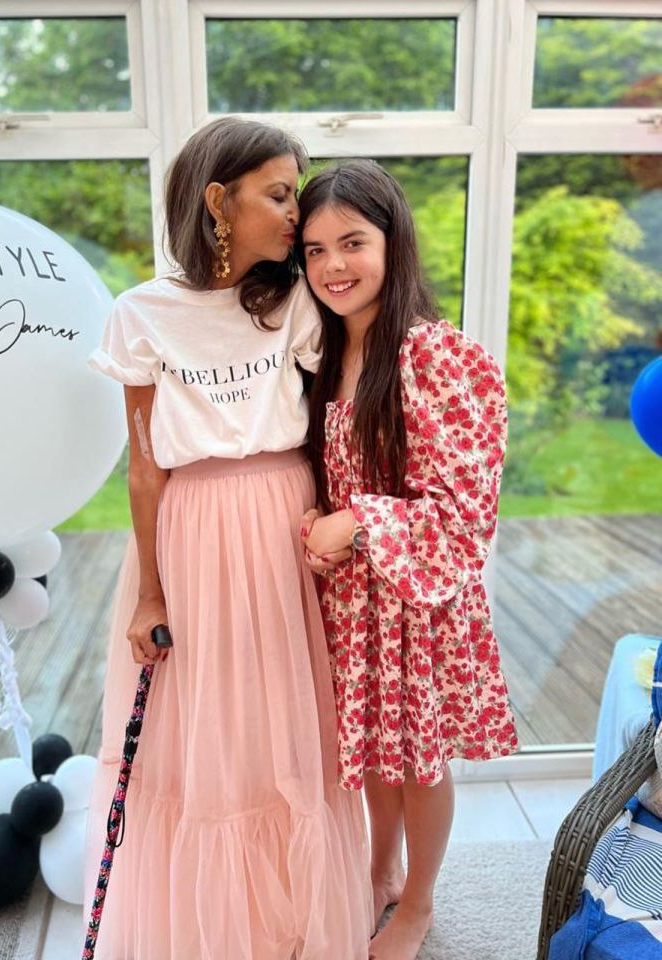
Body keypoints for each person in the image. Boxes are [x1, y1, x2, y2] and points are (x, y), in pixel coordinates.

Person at [84, 118, 373, 960]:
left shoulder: (296, 304)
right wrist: (148, 591)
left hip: (286, 522)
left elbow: (335, 429)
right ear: (219, 200)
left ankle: (293, 921)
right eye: (280, 194)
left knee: (284, 722)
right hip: (193, 532)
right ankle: (216, 930)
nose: (297, 214)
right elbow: (144, 467)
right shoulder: (141, 314)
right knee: (202, 729)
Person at [296, 160, 519, 960]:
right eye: (315, 251)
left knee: (418, 758)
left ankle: (419, 903)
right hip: (356, 601)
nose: (333, 266)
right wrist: (327, 533)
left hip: (418, 599)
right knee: (372, 752)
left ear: (394, 241)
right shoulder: (326, 356)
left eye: (352, 242)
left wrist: (355, 523)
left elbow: (465, 514)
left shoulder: (439, 356)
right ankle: (379, 872)